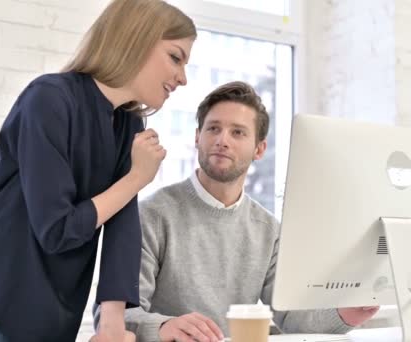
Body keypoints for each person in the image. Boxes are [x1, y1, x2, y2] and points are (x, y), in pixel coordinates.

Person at [0, 0, 196, 341]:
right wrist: (135, 179)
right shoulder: (48, 100)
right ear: (136, 38)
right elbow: (56, 228)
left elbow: (122, 231)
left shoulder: (126, 125)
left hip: (47, 311)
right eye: (175, 57)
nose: (183, 78)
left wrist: (112, 326)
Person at [111, 82, 379, 342]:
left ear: (259, 149)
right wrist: (165, 327)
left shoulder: (267, 229)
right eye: (213, 128)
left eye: (238, 132)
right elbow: (117, 317)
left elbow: (292, 317)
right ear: (197, 137)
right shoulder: (152, 214)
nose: (222, 140)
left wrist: (346, 314)